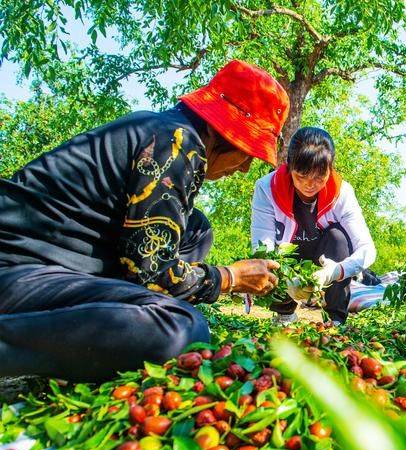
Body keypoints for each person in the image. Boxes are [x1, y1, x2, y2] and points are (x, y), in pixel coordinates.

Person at [0, 60, 288, 381]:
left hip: (62, 263)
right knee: (181, 329)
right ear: (218, 130)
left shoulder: (163, 130)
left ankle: (122, 312)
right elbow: (155, 274)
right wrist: (228, 278)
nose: (246, 167)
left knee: (197, 230)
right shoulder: (177, 144)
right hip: (16, 269)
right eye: (246, 152)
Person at [251, 127, 376, 325]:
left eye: (319, 176)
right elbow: (262, 246)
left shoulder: (342, 193)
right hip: (289, 255)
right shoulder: (266, 188)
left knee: (338, 237)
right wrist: (285, 278)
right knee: (270, 255)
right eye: (301, 176)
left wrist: (337, 271)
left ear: (331, 168)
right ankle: (284, 313)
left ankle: (334, 318)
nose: (310, 184)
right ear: (289, 166)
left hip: (326, 255)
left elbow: (367, 250)